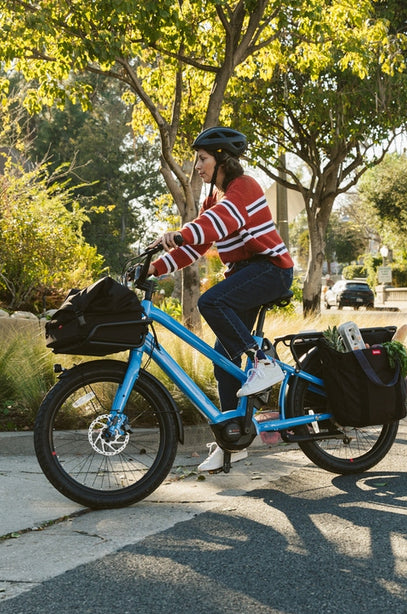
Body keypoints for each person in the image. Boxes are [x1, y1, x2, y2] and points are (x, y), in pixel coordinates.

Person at [148, 126, 295, 472]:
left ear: (222, 160)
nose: (197, 166)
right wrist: (154, 268)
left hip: (270, 269)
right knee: (223, 362)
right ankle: (233, 441)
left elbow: (215, 224)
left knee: (211, 302)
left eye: (202, 159)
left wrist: (179, 233)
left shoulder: (242, 188)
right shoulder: (212, 198)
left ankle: (264, 362)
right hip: (245, 275)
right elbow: (197, 246)